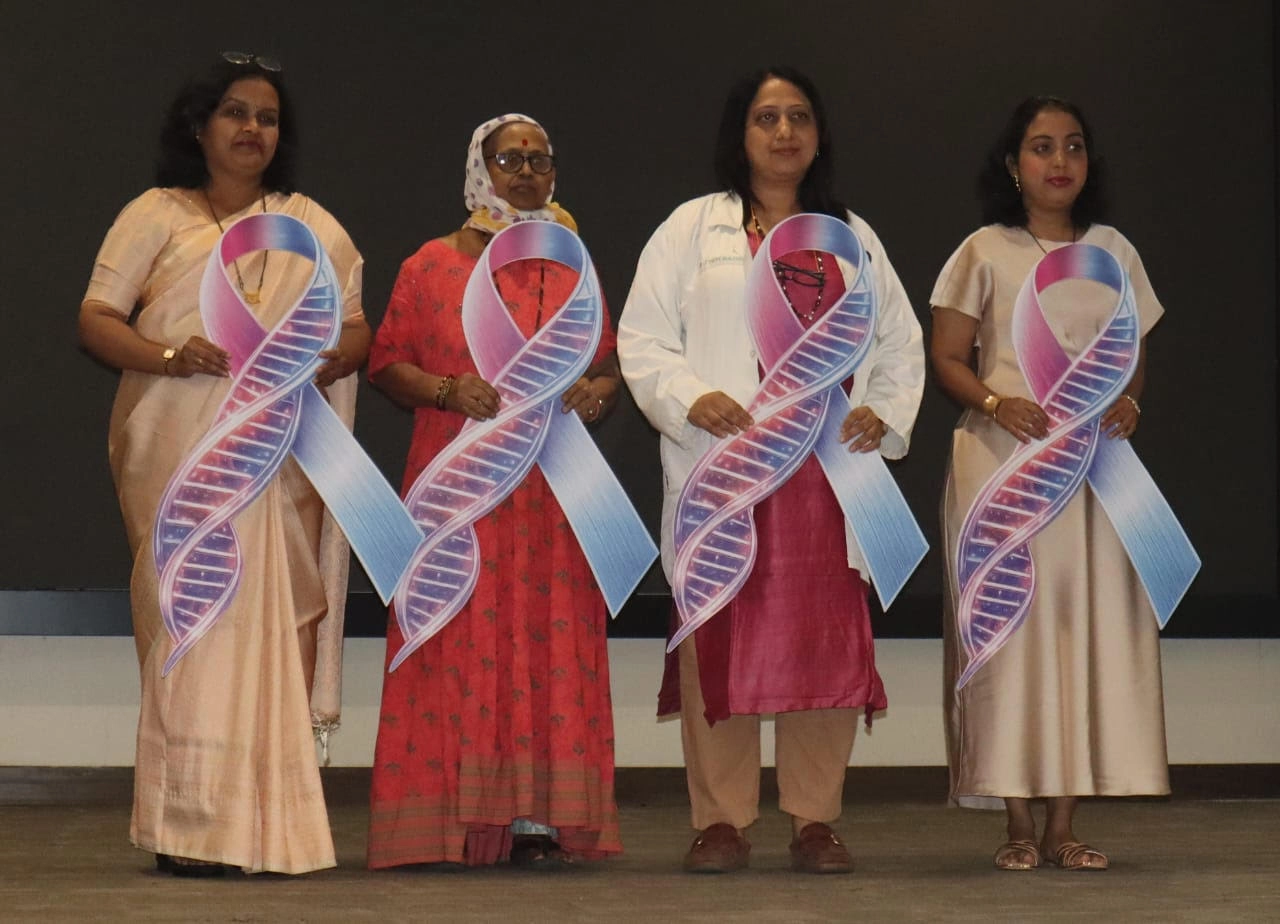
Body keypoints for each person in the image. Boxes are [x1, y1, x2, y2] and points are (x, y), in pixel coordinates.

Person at [617, 67, 924, 874]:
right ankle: (720, 820)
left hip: (828, 480)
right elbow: (643, 337)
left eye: (798, 117)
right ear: (741, 133)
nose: (784, 132)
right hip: (728, 469)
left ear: (818, 134)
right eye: (766, 118)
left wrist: (883, 411)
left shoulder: (851, 236)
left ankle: (815, 819)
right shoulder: (693, 229)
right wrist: (691, 396)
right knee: (719, 637)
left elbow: (899, 340)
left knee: (825, 642)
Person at [77, 53, 370, 875]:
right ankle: (187, 825)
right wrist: (170, 356)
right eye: (235, 113)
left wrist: (325, 361)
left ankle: (266, 827)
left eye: (267, 118)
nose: (252, 129)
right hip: (180, 459)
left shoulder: (310, 225)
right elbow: (97, 319)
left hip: (278, 463)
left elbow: (356, 331)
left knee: (267, 631)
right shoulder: (157, 215)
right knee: (193, 625)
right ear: (199, 126)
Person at [366, 113, 623, 870]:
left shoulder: (573, 266)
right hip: (458, 491)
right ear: (480, 171)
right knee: (454, 642)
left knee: (549, 641)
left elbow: (607, 367)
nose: (526, 172)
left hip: (552, 495)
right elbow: (386, 363)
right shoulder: (431, 264)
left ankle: (539, 819)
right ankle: (446, 821)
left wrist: (598, 393)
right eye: (509, 159)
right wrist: (446, 389)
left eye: (540, 160)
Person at [930, 96, 1168, 872]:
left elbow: (1131, 353)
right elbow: (948, 357)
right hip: (1003, 468)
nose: (1059, 161)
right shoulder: (983, 250)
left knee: (1078, 637)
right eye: (1040, 147)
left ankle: (1064, 825)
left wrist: (1130, 401)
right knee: (1010, 637)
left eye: (1072, 146)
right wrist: (996, 402)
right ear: (1013, 164)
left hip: (1093, 476)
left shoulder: (1114, 251)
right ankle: (1016, 824)